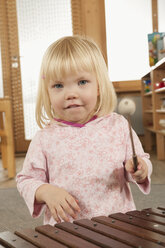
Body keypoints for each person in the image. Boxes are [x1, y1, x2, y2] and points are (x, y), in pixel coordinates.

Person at [16, 35, 152, 226]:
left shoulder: (118, 126)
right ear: (47, 91)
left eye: (82, 82)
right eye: (58, 85)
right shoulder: (45, 138)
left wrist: (140, 170)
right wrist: (46, 191)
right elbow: (26, 180)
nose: (71, 94)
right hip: (67, 231)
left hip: (117, 225)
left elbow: (140, 161)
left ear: (98, 86)